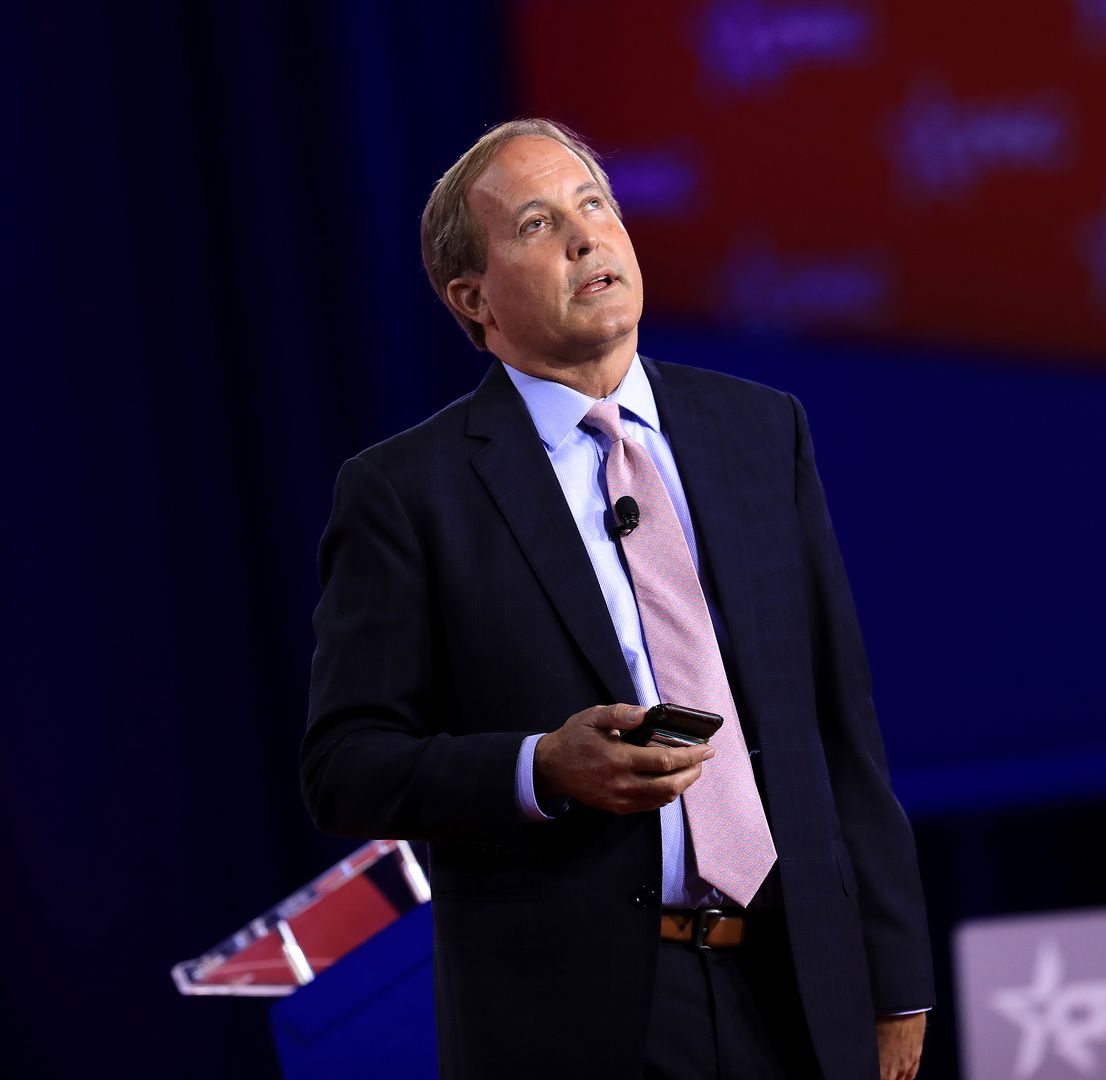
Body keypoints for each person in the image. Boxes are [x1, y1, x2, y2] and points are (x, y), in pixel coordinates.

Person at [300, 118, 934, 1079]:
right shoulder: (406, 494)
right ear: (472, 298)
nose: (585, 237)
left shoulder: (760, 431)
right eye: (536, 224)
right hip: (580, 1021)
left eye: (594, 205)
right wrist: (541, 768)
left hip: (797, 983)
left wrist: (895, 977)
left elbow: (841, 730)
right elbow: (345, 766)